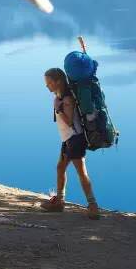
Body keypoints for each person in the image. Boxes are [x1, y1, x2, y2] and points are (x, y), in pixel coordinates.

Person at [42, 68, 99, 220]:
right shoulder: (60, 96)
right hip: (68, 140)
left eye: (49, 83)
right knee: (60, 168)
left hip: (75, 139)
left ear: (58, 81)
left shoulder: (67, 99)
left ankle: (93, 206)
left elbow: (68, 121)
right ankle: (59, 202)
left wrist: (58, 108)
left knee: (81, 172)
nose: (47, 86)